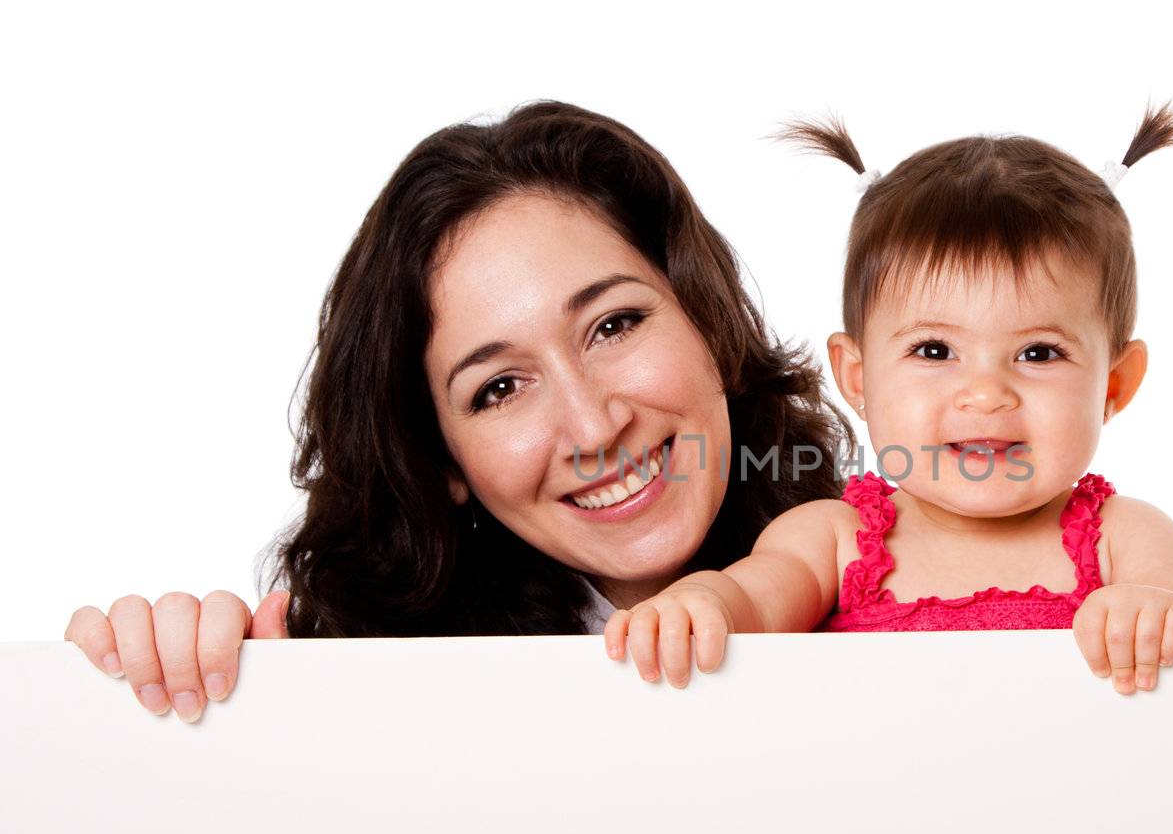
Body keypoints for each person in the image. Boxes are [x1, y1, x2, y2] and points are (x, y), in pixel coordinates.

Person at [605, 104, 1173, 700]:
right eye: (932, 350)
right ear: (855, 376)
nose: (985, 392)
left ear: (1116, 383)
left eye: (1039, 352)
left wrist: (1158, 614)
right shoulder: (835, 538)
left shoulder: (1123, 535)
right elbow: (752, 600)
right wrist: (702, 605)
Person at [62, 101, 850, 721]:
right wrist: (180, 695)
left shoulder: (906, 567)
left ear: (705, 319)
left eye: (613, 325)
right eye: (498, 388)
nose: (595, 425)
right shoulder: (367, 697)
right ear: (442, 462)